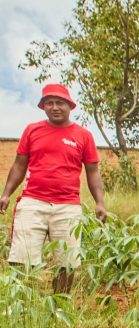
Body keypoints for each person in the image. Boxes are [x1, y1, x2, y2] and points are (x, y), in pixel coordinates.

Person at [1, 83, 106, 293]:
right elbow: (19, 165)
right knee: (22, 259)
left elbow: (92, 171)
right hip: (32, 202)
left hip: (68, 206)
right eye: (49, 103)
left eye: (60, 103)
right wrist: (6, 194)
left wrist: (100, 202)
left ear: (70, 106)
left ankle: (58, 307)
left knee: (66, 263)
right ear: (43, 107)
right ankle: (23, 306)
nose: (55, 107)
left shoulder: (83, 135)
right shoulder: (32, 130)